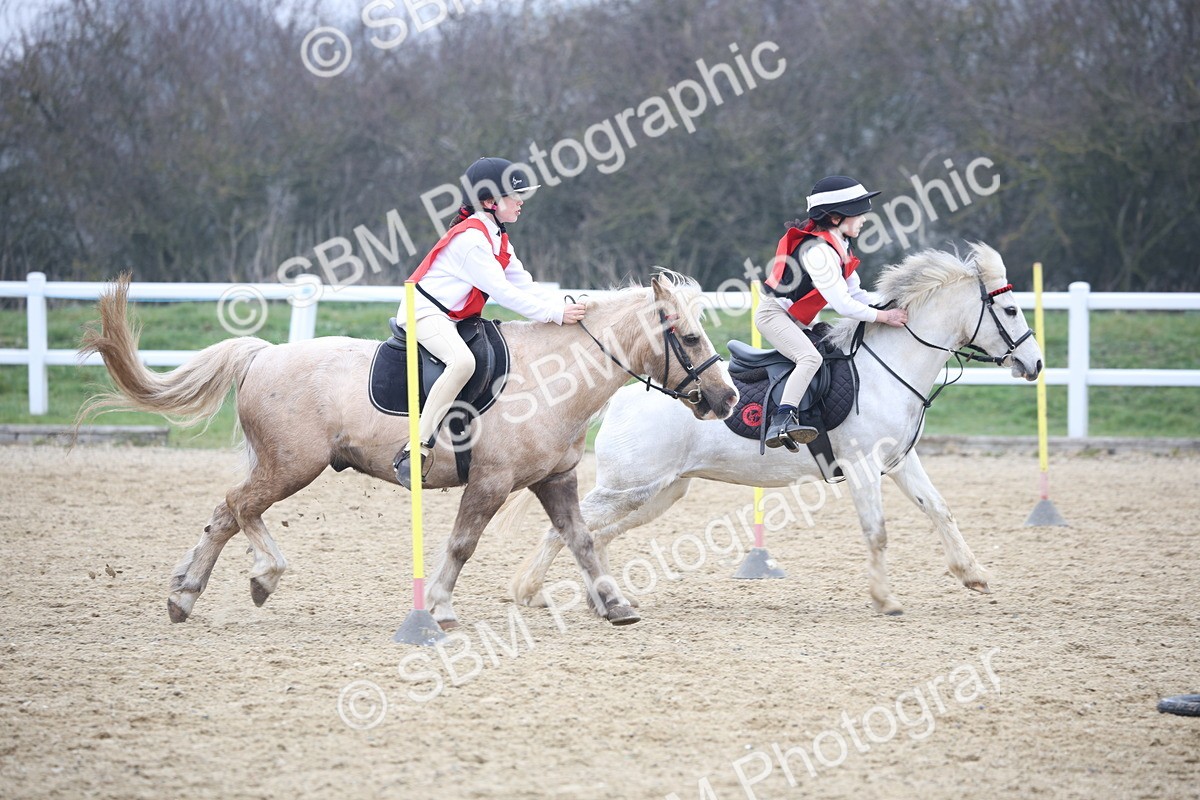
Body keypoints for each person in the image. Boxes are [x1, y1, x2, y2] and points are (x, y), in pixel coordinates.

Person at [393, 156, 587, 489]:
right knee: (461, 363)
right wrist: (555, 316)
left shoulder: (497, 236)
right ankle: (418, 447)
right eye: (515, 196)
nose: (521, 201)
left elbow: (523, 283)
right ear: (489, 202)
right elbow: (502, 293)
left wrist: (562, 306)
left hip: (451, 317)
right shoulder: (471, 240)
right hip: (423, 313)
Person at [756, 175, 909, 449]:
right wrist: (884, 317)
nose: (864, 220)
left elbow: (856, 294)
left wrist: (887, 307)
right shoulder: (819, 251)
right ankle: (781, 420)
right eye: (859, 214)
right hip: (773, 316)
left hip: (798, 320)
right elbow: (843, 306)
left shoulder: (840, 246)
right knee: (809, 359)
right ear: (837, 218)